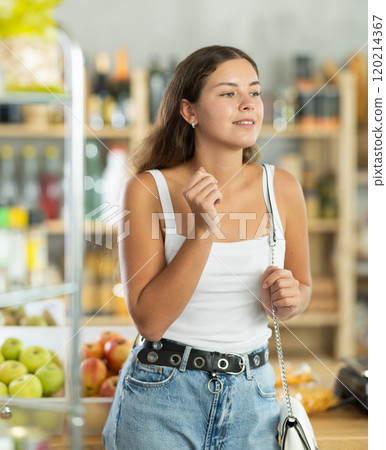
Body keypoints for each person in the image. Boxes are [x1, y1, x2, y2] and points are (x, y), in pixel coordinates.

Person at [102, 45, 311, 450]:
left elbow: (301, 290)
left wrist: (289, 299)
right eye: (229, 93)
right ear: (189, 111)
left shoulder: (281, 188)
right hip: (160, 398)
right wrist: (203, 229)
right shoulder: (149, 190)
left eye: (254, 91)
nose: (248, 104)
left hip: (254, 399)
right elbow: (150, 322)